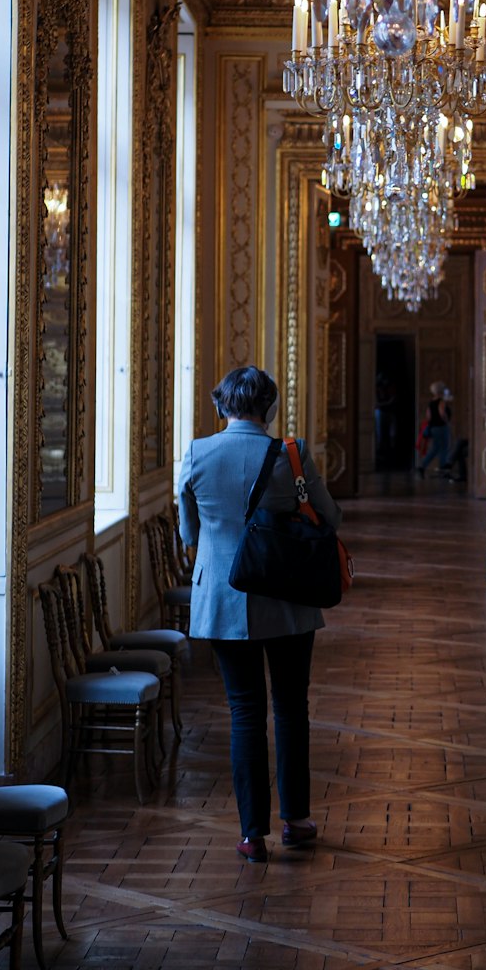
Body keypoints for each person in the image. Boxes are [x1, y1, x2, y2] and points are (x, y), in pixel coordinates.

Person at [177, 365, 342, 865]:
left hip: (223, 599)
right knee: (291, 709)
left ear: (221, 405)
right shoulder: (290, 454)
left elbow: (189, 534)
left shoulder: (197, 453)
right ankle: (296, 820)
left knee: (244, 712)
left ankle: (252, 833)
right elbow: (330, 518)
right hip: (288, 598)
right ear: (268, 408)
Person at [417, 381, 452, 476]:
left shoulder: (431, 402)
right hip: (441, 426)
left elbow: (428, 416)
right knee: (444, 447)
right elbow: (442, 413)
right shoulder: (441, 401)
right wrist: (446, 421)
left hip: (433, 427)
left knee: (435, 448)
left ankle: (422, 465)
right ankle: (443, 468)